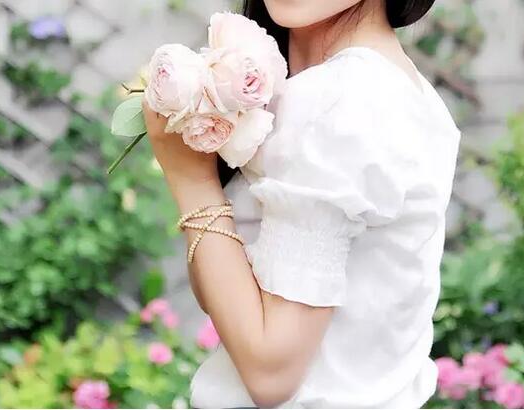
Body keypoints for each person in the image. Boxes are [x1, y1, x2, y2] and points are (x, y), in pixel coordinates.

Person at [142, 0, 460, 407]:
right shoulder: (401, 90)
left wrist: (193, 181)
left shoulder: (341, 100)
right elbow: (233, 305)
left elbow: (270, 374)